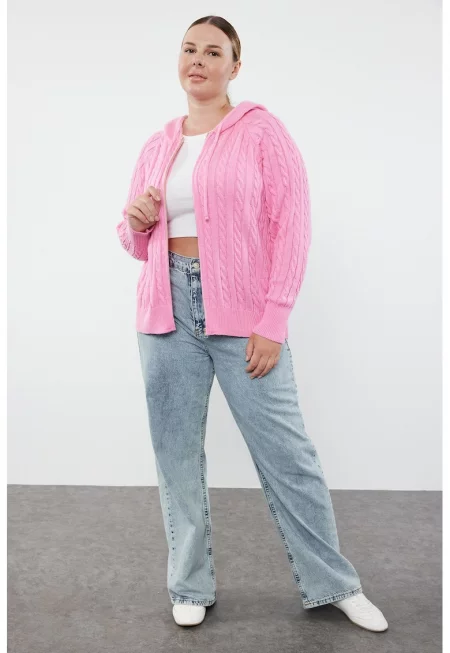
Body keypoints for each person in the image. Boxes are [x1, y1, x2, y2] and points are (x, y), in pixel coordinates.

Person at [116, 15, 388, 633]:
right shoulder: (158, 144)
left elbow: (292, 225)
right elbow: (133, 241)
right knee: (175, 455)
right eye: (189, 49)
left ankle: (335, 583)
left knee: (287, 453)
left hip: (242, 313)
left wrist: (274, 319)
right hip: (165, 311)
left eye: (213, 52)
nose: (198, 60)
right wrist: (136, 221)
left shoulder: (262, 131)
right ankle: (189, 584)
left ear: (234, 66)